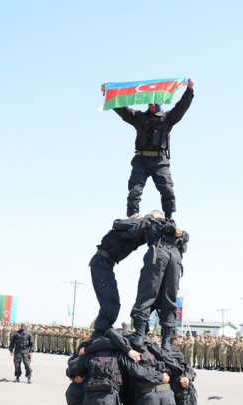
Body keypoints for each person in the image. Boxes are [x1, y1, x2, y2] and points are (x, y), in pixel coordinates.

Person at [102, 78, 195, 218]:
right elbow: (121, 109)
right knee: (134, 191)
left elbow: (182, 106)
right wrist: (107, 93)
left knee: (167, 190)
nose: (152, 103)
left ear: (160, 100)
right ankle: (132, 218)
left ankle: (169, 220)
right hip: (141, 160)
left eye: (155, 100)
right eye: (150, 100)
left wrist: (189, 90)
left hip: (160, 160)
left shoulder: (168, 118)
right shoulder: (138, 117)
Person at [90, 212, 159, 334]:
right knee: (111, 302)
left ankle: (103, 331)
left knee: (112, 302)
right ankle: (100, 332)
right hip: (101, 262)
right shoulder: (128, 225)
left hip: (106, 264)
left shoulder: (137, 234)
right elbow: (119, 223)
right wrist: (150, 218)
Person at [130, 214, 188, 350]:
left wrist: (180, 233)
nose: (162, 215)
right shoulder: (150, 222)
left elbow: (185, 238)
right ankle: (140, 333)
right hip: (158, 251)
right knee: (147, 292)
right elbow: (147, 227)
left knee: (170, 297)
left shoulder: (173, 227)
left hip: (174, 255)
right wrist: (152, 217)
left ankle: (167, 338)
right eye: (159, 214)